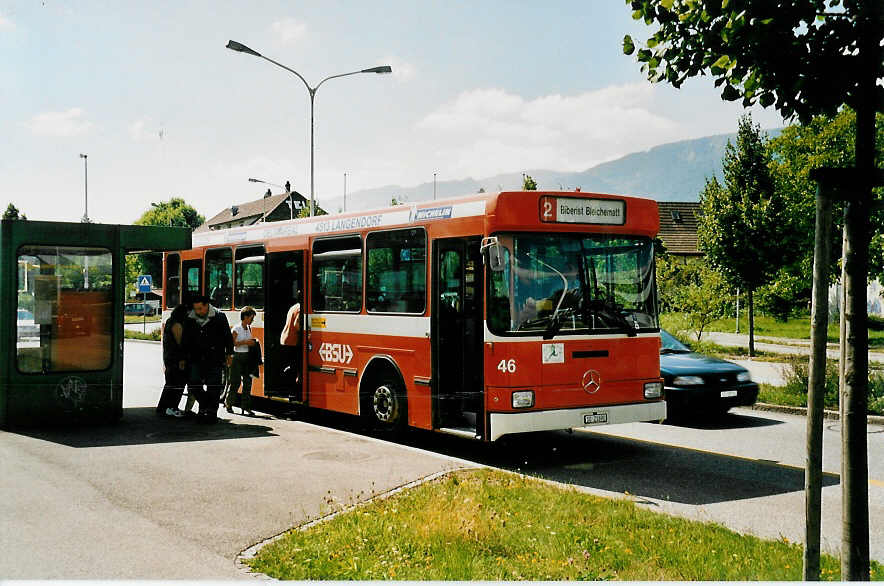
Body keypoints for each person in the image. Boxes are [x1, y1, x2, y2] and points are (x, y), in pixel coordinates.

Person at [183, 294, 233, 423]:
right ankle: (205, 403)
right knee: (194, 383)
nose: (198, 312)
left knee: (214, 387)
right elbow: (185, 339)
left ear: (207, 306)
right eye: (196, 309)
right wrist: (183, 357)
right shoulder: (190, 318)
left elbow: (228, 336)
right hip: (196, 358)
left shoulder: (219, 317)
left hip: (215, 358)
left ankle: (211, 414)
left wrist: (229, 354)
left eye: (200, 309)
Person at [156, 303, 189, 417]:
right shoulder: (177, 325)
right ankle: (172, 407)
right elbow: (181, 343)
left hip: (169, 357)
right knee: (177, 384)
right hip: (176, 359)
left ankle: (162, 407)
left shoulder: (170, 322)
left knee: (170, 383)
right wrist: (183, 359)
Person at [226, 306, 258, 415]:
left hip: (246, 357)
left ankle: (246, 406)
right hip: (237, 357)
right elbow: (232, 344)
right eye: (251, 318)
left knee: (248, 382)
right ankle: (229, 403)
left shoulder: (248, 328)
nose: (252, 320)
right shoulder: (236, 329)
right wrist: (246, 342)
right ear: (245, 317)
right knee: (235, 382)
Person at [280, 290, 302, 392]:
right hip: (292, 340)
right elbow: (297, 325)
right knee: (296, 365)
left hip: (286, 339)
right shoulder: (300, 308)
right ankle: (292, 388)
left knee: (293, 364)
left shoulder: (294, 306)